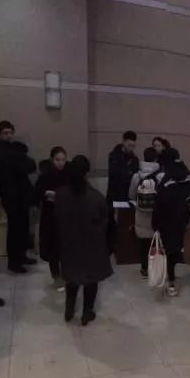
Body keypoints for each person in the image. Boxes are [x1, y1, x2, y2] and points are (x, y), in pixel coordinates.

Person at [54, 156, 113, 326]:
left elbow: (57, 218)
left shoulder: (61, 194)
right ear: (86, 173)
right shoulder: (96, 197)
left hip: (69, 244)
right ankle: (87, 313)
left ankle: (69, 310)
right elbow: (104, 222)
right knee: (91, 280)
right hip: (92, 245)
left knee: (71, 278)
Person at [0, 120, 37, 273]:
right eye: (5, 133)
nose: (9, 135)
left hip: (20, 194)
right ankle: (14, 262)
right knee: (15, 229)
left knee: (22, 226)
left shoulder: (12, 149)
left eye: (10, 132)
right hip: (11, 195)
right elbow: (25, 166)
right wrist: (23, 160)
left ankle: (21, 256)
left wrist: (24, 161)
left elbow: (30, 166)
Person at [152, 148, 190, 297]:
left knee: (169, 251)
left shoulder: (165, 178)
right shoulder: (189, 175)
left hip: (168, 221)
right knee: (179, 248)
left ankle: (171, 283)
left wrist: (155, 224)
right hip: (185, 219)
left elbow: (159, 203)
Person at [35, 147, 69, 292]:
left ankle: (67, 276)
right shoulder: (45, 176)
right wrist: (46, 194)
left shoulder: (69, 174)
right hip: (50, 216)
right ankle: (57, 278)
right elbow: (35, 195)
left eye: (63, 160)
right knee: (53, 249)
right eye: (57, 160)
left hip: (66, 216)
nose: (61, 163)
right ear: (52, 160)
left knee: (66, 248)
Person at [130, 148, 161, 279]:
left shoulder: (137, 176)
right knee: (156, 243)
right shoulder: (160, 176)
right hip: (156, 215)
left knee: (143, 244)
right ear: (156, 159)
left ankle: (144, 268)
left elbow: (131, 195)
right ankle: (156, 268)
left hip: (141, 215)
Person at [106, 130, 139, 203]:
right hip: (114, 196)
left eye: (133, 146)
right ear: (123, 142)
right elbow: (115, 175)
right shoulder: (114, 156)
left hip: (128, 197)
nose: (131, 148)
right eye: (129, 145)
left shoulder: (134, 159)